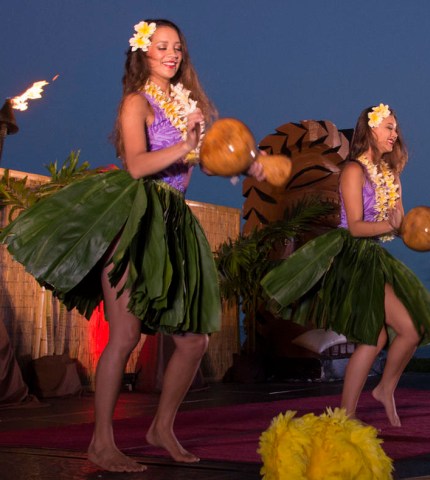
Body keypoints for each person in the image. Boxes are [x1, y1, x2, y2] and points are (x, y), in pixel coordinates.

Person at [0, 19, 264, 472]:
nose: (171, 53)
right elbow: (139, 165)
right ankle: (101, 443)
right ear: (143, 53)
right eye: (161, 46)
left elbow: (199, 160)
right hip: (136, 218)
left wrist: (247, 164)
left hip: (175, 221)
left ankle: (161, 427)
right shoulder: (136, 103)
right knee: (123, 335)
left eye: (177, 46)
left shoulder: (186, 107)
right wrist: (186, 143)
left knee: (195, 340)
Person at [261, 103, 430, 427]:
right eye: (389, 127)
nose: (395, 134)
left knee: (378, 338)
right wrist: (389, 227)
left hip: (375, 255)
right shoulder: (353, 171)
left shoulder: (392, 175)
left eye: (396, 128)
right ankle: (363, 403)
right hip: (352, 255)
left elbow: (402, 226)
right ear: (371, 130)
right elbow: (356, 226)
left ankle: (365, 402)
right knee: (402, 331)